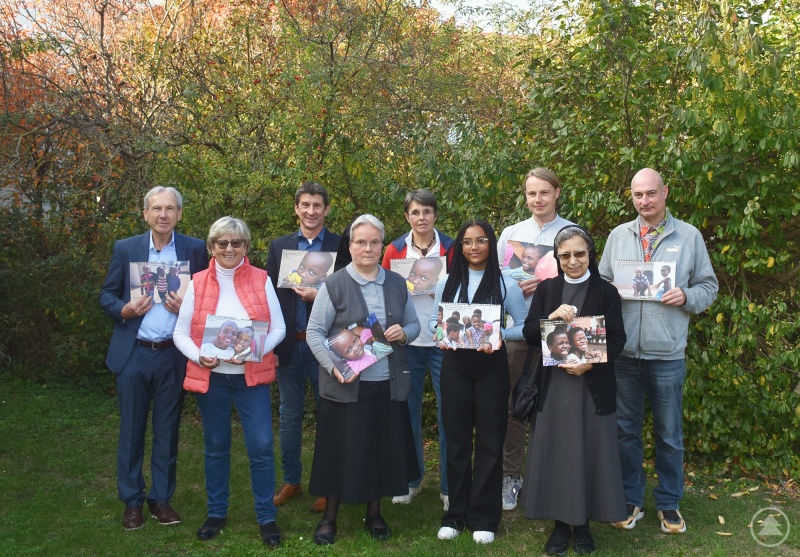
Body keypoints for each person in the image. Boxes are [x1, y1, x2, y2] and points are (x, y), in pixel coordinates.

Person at [599, 168, 718, 534]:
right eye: (638, 195)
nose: (644, 201)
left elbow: (708, 286)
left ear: (665, 192)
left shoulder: (689, 236)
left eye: (651, 193)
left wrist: (687, 296)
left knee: (669, 434)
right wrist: (608, 296)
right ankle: (631, 499)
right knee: (625, 432)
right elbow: (601, 281)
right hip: (624, 355)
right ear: (631, 197)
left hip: (667, 354)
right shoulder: (618, 236)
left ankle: (668, 503)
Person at [306, 214, 421, 545]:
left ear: (381, 245)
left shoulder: (398, 283)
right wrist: (334, 368)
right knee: (338, 451)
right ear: (350, 245)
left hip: (387, 382)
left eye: (374, 242)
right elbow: (314, 332)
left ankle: (375, 514)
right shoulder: (334, 284)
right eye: (360, 242)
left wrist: (403, 332)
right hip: (346, 386)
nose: (367, 248)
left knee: (381, 448)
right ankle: (330, 518)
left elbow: (414, 325)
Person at [99, 186, 208, 530]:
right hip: (134, 353)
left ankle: (161, 499)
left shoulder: (194, 249)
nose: (163, 215)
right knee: (131, 429)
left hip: (173, 355)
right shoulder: (126, 248)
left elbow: (208, 295)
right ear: (145, 213)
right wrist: (124, 309)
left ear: (179, 214)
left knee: (167, 429)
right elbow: (105, 295)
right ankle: (132, 501)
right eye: (157, 208)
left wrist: (187, 309)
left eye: (170, 209)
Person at [174, 217, 286, 545]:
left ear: (246, 247)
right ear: (211, 247)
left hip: (251, 378)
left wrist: (257, 348)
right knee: (216, 447)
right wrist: (198, 356)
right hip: (214, 378)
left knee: (262, 447)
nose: (229, 248)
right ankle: (216, 513)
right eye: (222, 242)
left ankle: (266, 517)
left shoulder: (262, 279)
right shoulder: (195, 282)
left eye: (236, 243)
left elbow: (278, 328)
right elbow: (180, 333)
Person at [521, 225, 627, 555]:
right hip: (553, 388)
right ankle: (559, 526)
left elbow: (619, 340)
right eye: (565, 255)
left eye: (579, 253)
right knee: (557, 454)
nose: (573, 260)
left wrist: (590, 363)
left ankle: (582, 526)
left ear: (590, 255)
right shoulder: (547, 290)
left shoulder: (606, 292)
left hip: (590, 387)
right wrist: (550, 317)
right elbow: (528, 334)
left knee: (589, 452)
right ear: (557, 257)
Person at [430, 219, 527, 545]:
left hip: (491, 369)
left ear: (491, 244)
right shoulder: (446, 280)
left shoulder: (505, 283)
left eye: (481, 240)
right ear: (459, 246)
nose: (474, 247)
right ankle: (455, 515)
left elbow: (525, 326)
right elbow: (434, 321)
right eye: (468, 241)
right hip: (455, 367)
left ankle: (484, 516)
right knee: (456, 440)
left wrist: (500, 334)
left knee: (489, 442)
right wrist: (439, 336)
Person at [496, 168, 576, 511]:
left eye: (544, 192)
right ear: (525, 196)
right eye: (531, 194)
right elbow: (495, 283)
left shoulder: (572, 233)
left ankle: (558, 477)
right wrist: (514, 289)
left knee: (560, 405)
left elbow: (584, 281)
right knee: (513, 406)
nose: (538, 199)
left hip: (560, 331)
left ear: (557, 192)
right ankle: (511, 476)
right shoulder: (511, 234)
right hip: (518, 331)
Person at [266, 181, 342, 513]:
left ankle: (326, 485)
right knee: (289, 414)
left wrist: (320, 294)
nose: (311, 211)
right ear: (296, 208)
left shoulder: (342, 245)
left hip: (325, 345)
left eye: (317, 205)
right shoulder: (279, 246)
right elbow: (269, 297)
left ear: (326, 209)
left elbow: (349, 295)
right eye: (305, 205)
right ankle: (292, 481)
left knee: (329, 415)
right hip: (289, 345)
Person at [381, 189, 455, 510]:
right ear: (407, 217)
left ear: (435, 214)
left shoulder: (452, 248)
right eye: (415, 212)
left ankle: (450, 486)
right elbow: (383, 290)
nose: (421, 218)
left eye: (426, 211)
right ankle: (411, 480)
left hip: (444, 343)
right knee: (406, 413)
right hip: (406, 343)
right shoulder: (394, 250)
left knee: (449, 414)